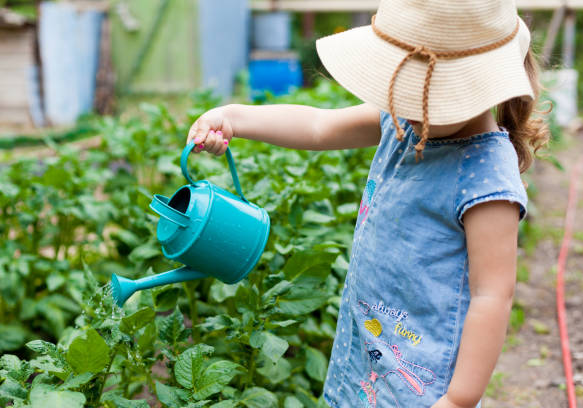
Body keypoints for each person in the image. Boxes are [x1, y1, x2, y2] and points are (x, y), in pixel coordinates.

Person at [187, 0, 549, 406]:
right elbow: (319, 127)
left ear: (472, 89)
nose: (403, 104)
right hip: (362, 365)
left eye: (419, 94)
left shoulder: (486, 177)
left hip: (421, 390)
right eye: (400, 89)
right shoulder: (405, 124)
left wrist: (458, 401)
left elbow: (492, 296)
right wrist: (234, 117)